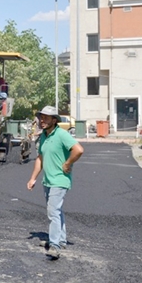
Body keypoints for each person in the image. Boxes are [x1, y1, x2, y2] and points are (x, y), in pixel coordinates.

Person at [26, 105, 84, 259]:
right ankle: (61, 240)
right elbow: (40, 158)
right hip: (48, 180)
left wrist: (67, 163)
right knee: (57, 211)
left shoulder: (61, 134)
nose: (42, 120)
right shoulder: (44, 135)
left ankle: (55, 246)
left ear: (54, 120)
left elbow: (78, 150)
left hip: (60, 179)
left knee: (53, 212)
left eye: (46, 117)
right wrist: (33, 178)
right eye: (41, 117)